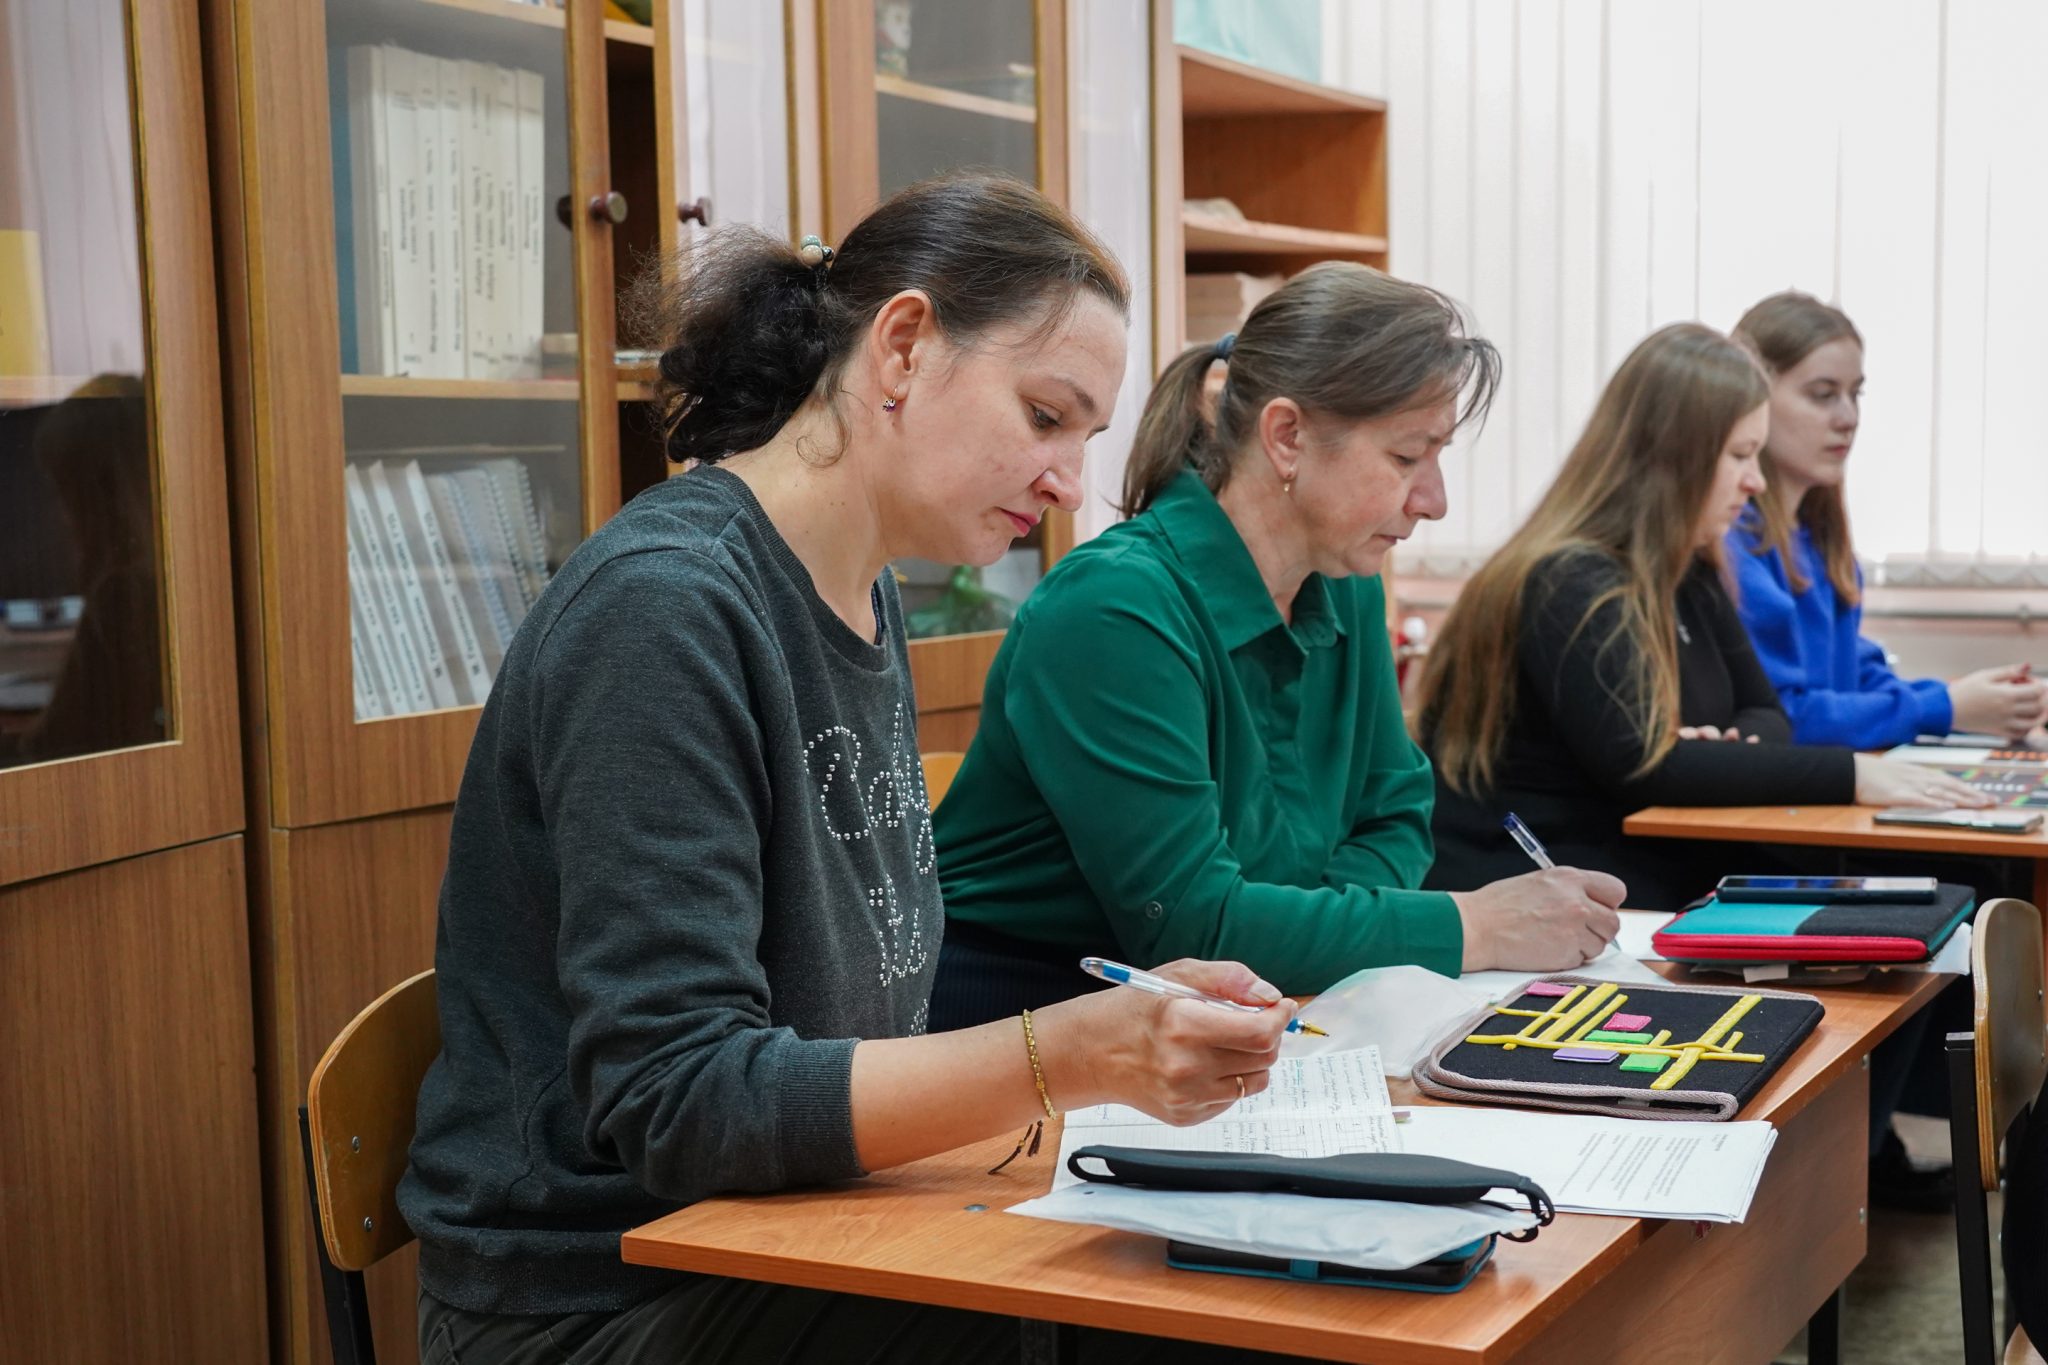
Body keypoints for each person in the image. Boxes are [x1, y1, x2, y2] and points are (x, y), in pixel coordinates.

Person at [399, 175, 1306, 1365]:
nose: (1064, 484)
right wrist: (1073, 1054)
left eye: (1084, 439)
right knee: (1171, 1322)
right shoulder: (663, 613)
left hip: (788, 1236)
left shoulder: (863, 593)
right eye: (1045, 416)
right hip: (600, 1299)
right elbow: (682, 1104)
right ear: (904, 345)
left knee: (1224, 1283)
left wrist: (1107, 1037)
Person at [928, 263, 1625, 1034]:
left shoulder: (1346, 580)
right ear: (1287, 436)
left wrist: (1308, 927)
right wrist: (1474, 926)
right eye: (1406, 457)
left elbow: (1397, 811)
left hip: (1263, 1010)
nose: (1435, 500)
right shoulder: (1112, 607)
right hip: (1028, 1030)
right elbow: (1196, 927)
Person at [1413, 323, 1988, 915]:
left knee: (1946, 891)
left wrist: (1718, 751)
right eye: (1739, 455)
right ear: (1672, 459)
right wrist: (1852, 774)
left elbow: (1768, 715)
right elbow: (1646, 767)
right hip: (1546, 882)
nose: (1755, 481)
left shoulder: (1691, 570)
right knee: (1910, 901)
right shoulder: (1571, 580)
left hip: (1639, 861)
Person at [1725, 291, 2046, 747]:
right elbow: (1785, 718)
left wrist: (1977, 701)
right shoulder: (1734, 542)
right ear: (1754, 399)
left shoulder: (1818, 539)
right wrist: (1946, 707)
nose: (1848, 417)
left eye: (1855, 394)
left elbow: (1856, 679)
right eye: (1823, 395)